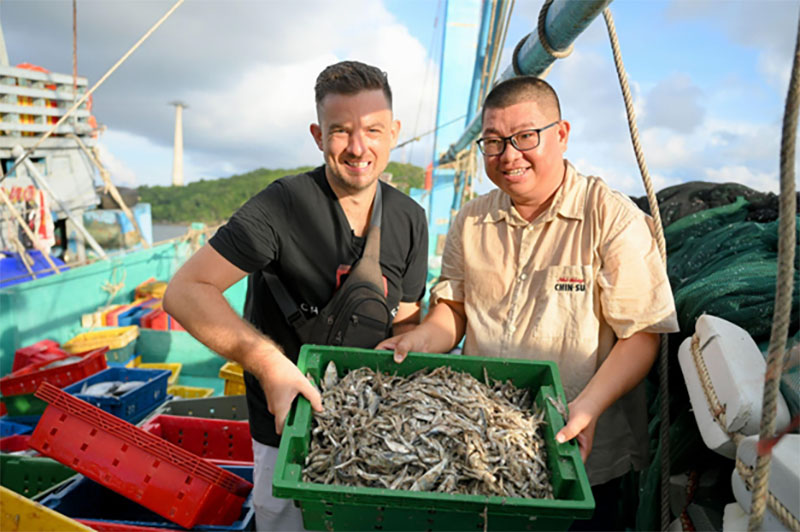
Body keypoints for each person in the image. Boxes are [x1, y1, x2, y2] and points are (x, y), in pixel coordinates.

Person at [377, 75, 678, 530]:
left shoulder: (611, 217)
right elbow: (454, 311)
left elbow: (642, 335)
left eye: (525, 137)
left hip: (580, 459)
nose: (509, 156)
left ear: (562, 134)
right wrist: (417, 339)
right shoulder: (471, 219)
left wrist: (588, 406)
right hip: (480, 452)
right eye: (494, 143)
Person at [163, 60, 428, 531]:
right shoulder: (281, 204)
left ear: (394, 131)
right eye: (341, 130)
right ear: (317, 134)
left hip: (375, 434)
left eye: (373, 129)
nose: (358, 147)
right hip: (286, 432)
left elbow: (406, 320)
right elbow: (185, 291)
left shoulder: (410, 218)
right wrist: (268, 364)